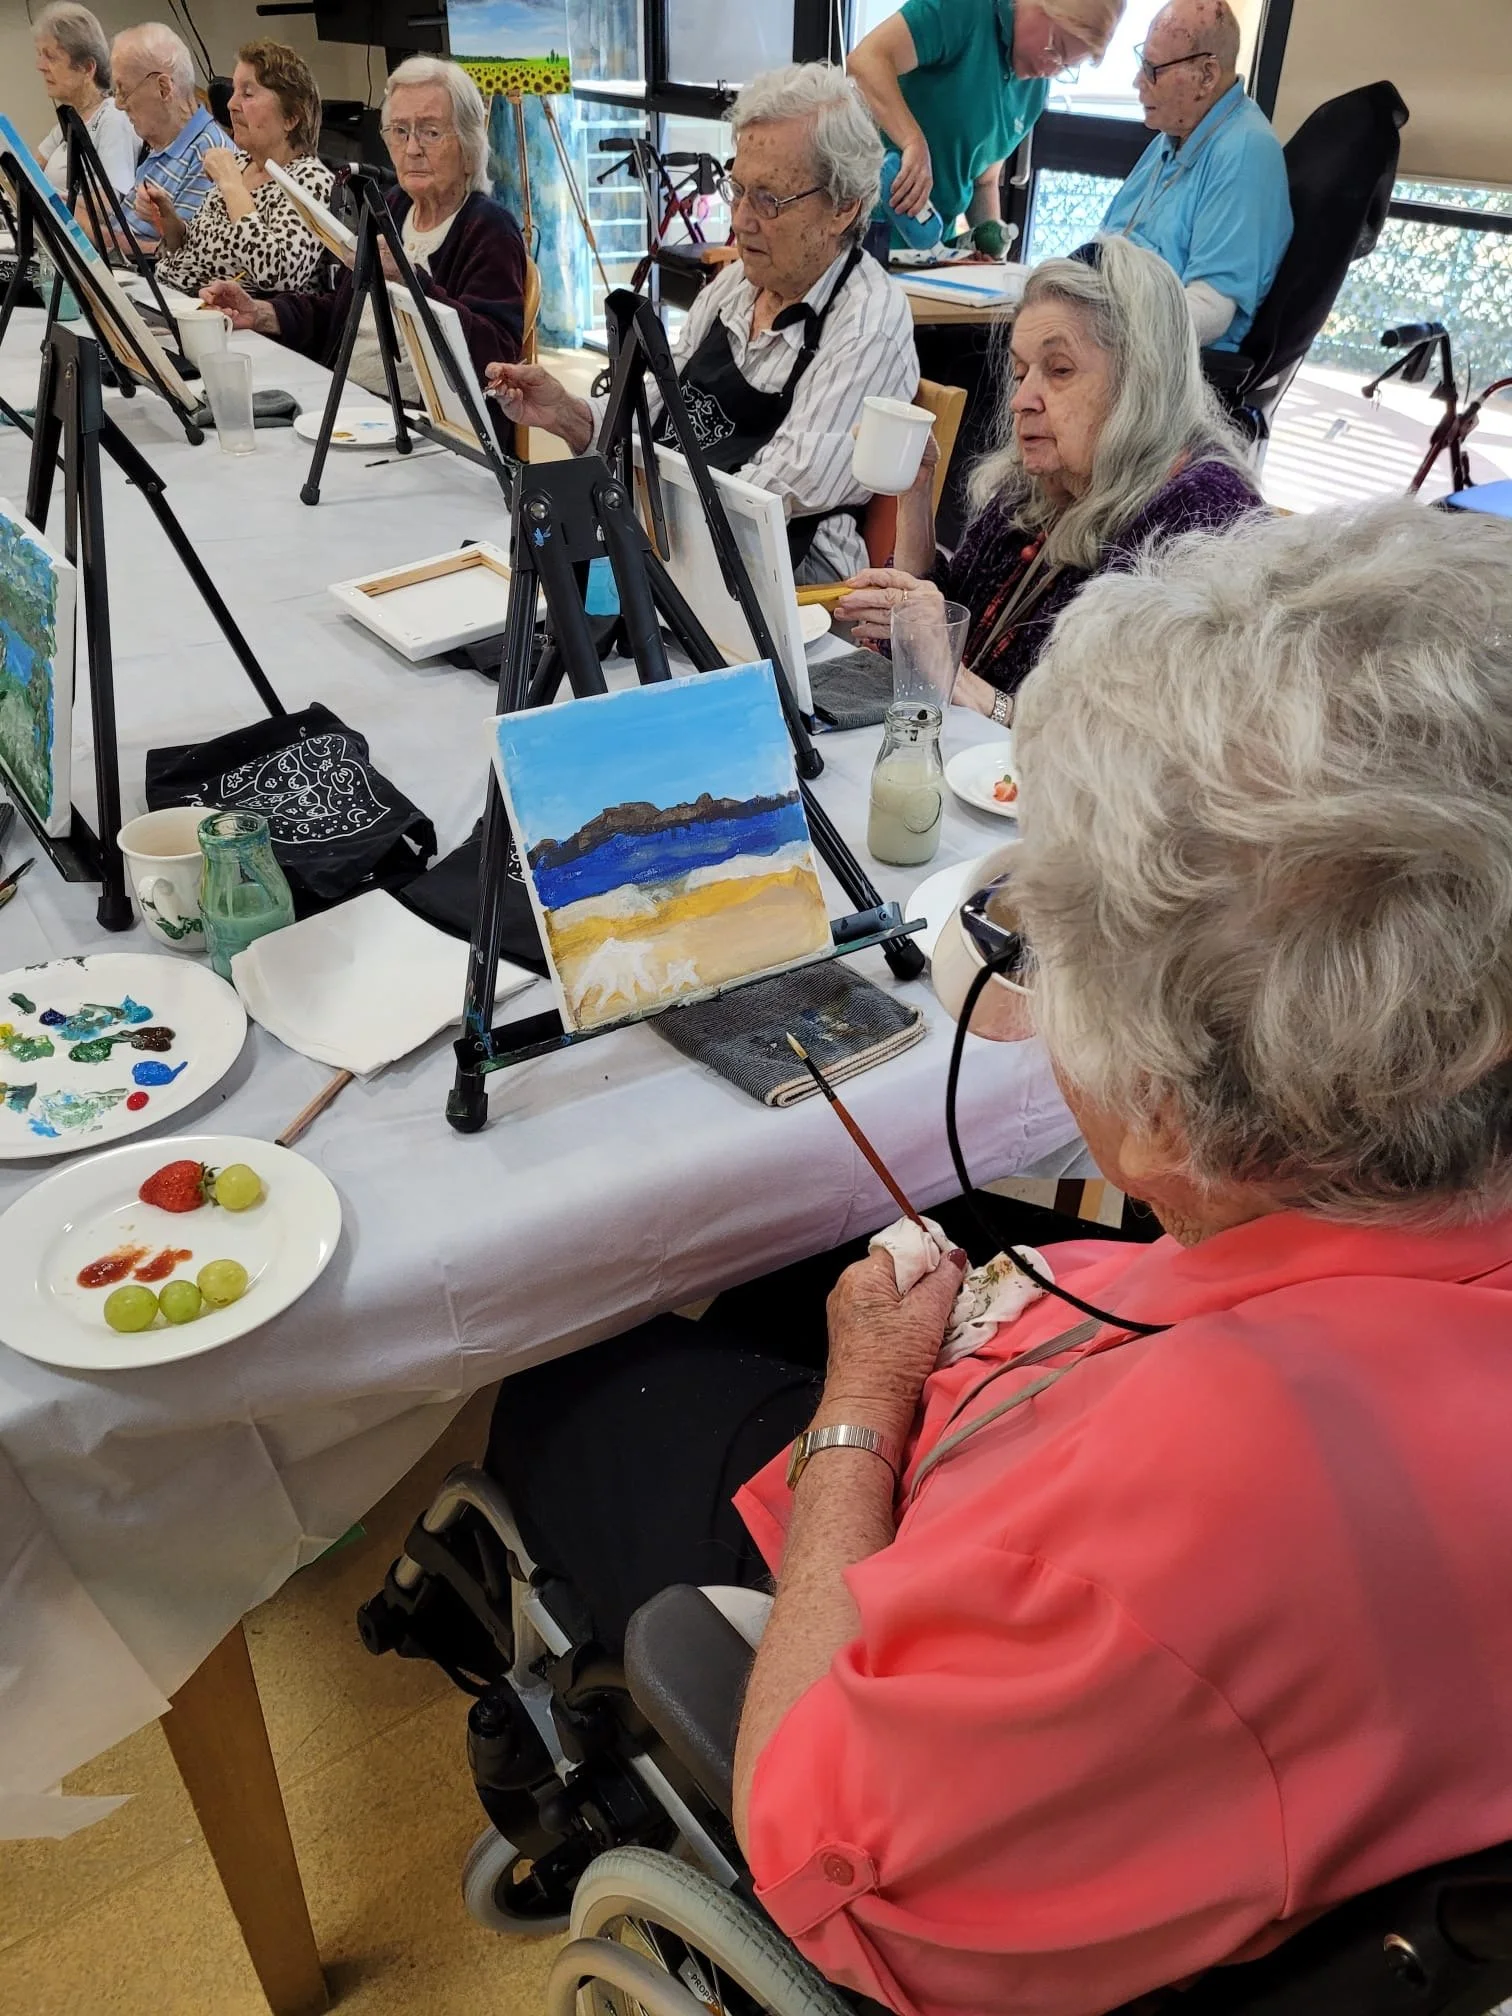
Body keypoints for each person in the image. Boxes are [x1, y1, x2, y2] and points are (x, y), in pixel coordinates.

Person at [486, 497, 1512, 2016]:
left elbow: (813, 1838)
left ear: (1165, 1110)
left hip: (1093, 1618)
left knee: (579, 1384)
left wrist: (866, 1399)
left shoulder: (1187, 1524)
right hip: (1276, 1564)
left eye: (1035, 938)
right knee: (810, 1275)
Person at [488, 63, 916, 583]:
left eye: (770, 199)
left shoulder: (867, 321)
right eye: (739, 189)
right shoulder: (738, 284)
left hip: (782, 591)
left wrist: (634, 519)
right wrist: (570, 415)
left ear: (843, 208)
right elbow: (655, 407)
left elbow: (769, 496)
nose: (741, 220)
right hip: (674, 547)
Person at [835, 235, 1259, 719]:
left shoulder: (1201, 520)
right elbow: (950, 620)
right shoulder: (1040, 479)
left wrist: (968, 688)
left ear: (1141, 381)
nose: (1022, 399)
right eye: (1020, 373)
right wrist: (915, 497)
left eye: (1058, 370)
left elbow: (1128, 747)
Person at [203, 57, 525, 396]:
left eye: (430, 132)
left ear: (469, 146)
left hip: (422, 425)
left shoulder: (489, 228)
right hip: (344, 401)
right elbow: (339, 312)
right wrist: (262, 313)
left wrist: (409, 281)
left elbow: (497, 359)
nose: (412, 149)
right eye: (400, 132)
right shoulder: (391, 207)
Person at [847, 0, 1124, 246]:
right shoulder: (964, 9)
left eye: (1066, 66)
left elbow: (984, 180)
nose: (1050, 68)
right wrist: (912, 140)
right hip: (857, 222)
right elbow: (866, 61)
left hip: (926, 244)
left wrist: (990, 245)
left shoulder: (1034, 92)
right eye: (1056, 47)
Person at [1100, 0, 1292, 350]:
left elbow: (1210, 311)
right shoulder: (1175, 134)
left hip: (1156, 359)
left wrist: (1101, 331)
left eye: (1153, 69)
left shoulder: (1245, 151)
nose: (1137, 82)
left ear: (1207, 75)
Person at [148, 40, 332, 296]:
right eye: (235, 91)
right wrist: (174, 226)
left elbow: (277, 273)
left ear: (291, 117)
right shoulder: (241, 164)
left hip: (231, 325)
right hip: (172, 297)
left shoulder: (310, 180)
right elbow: (205, 253)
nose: (231, 105)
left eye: (247, 94)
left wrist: (231, 185)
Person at [110, 23, 227, 250]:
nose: (118, 104)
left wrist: (89, 235)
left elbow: (181, 255)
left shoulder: (209, 154)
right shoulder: (161, 147)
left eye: (124, 91)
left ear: (164, 88)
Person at [32, 4, 139, 198]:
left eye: (51, 57)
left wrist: (50, 199)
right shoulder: (70, 120)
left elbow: (109, 204)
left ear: (87, 68)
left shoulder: (113, 119)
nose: (40, 66)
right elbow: (28, 172)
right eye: (40, 55)